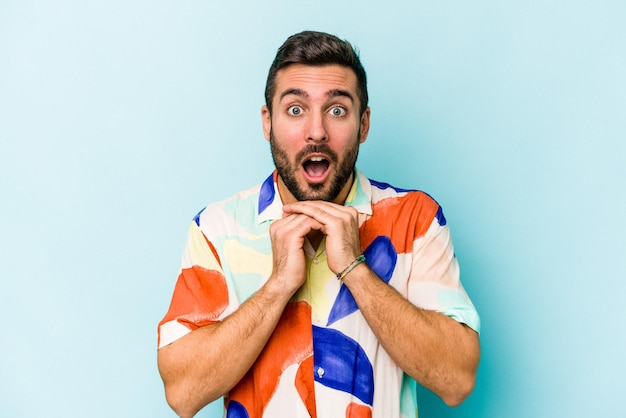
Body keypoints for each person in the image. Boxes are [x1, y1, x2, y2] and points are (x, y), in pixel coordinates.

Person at [157, 30, 480, 418]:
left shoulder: (416, 218)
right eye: (295, 109)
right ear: (267, 122)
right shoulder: (217, 228)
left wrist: (355, 270)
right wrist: (278, 286)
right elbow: (183, 393)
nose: (316, 131)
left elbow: (457, 380)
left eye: (337, 110)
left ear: (363, 124)